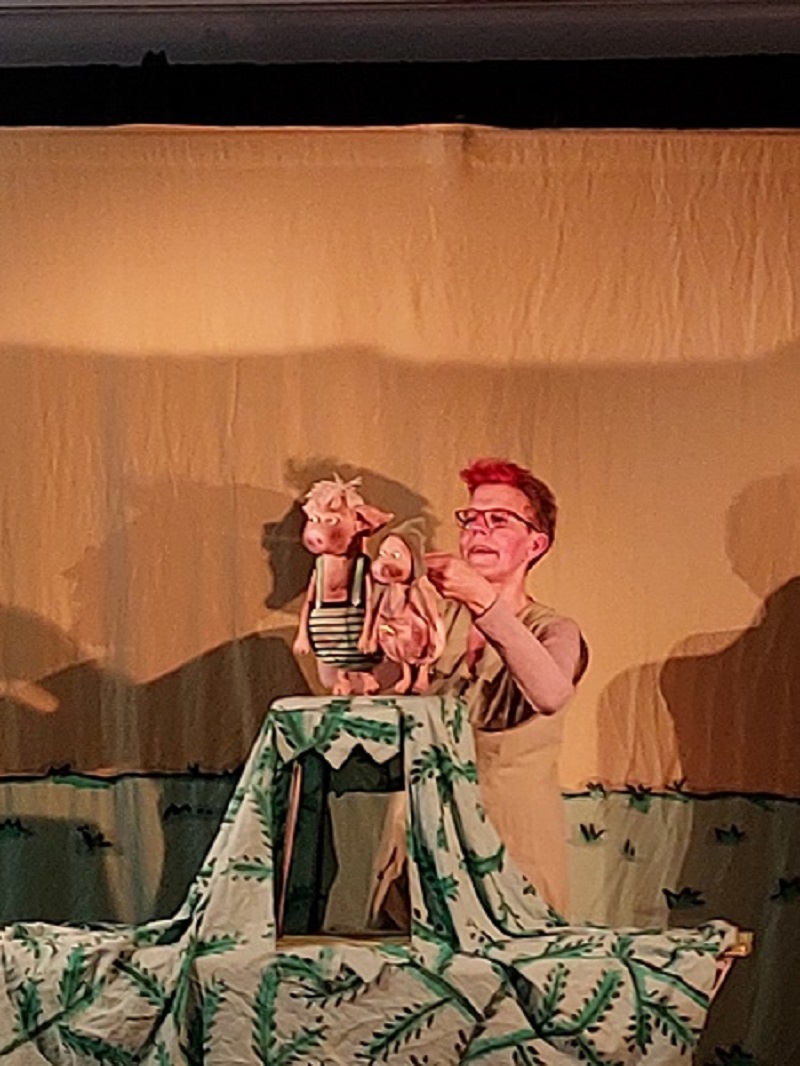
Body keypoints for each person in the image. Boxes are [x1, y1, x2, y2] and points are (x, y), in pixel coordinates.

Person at [422, 458, 588, 915]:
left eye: (499, 520)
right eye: (471, 519)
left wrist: (483, 601)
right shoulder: (434, 620)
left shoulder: (554, 629)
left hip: (514, 849)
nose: (479, 529)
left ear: (536, 544)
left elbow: (550, 694)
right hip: (426, 838)